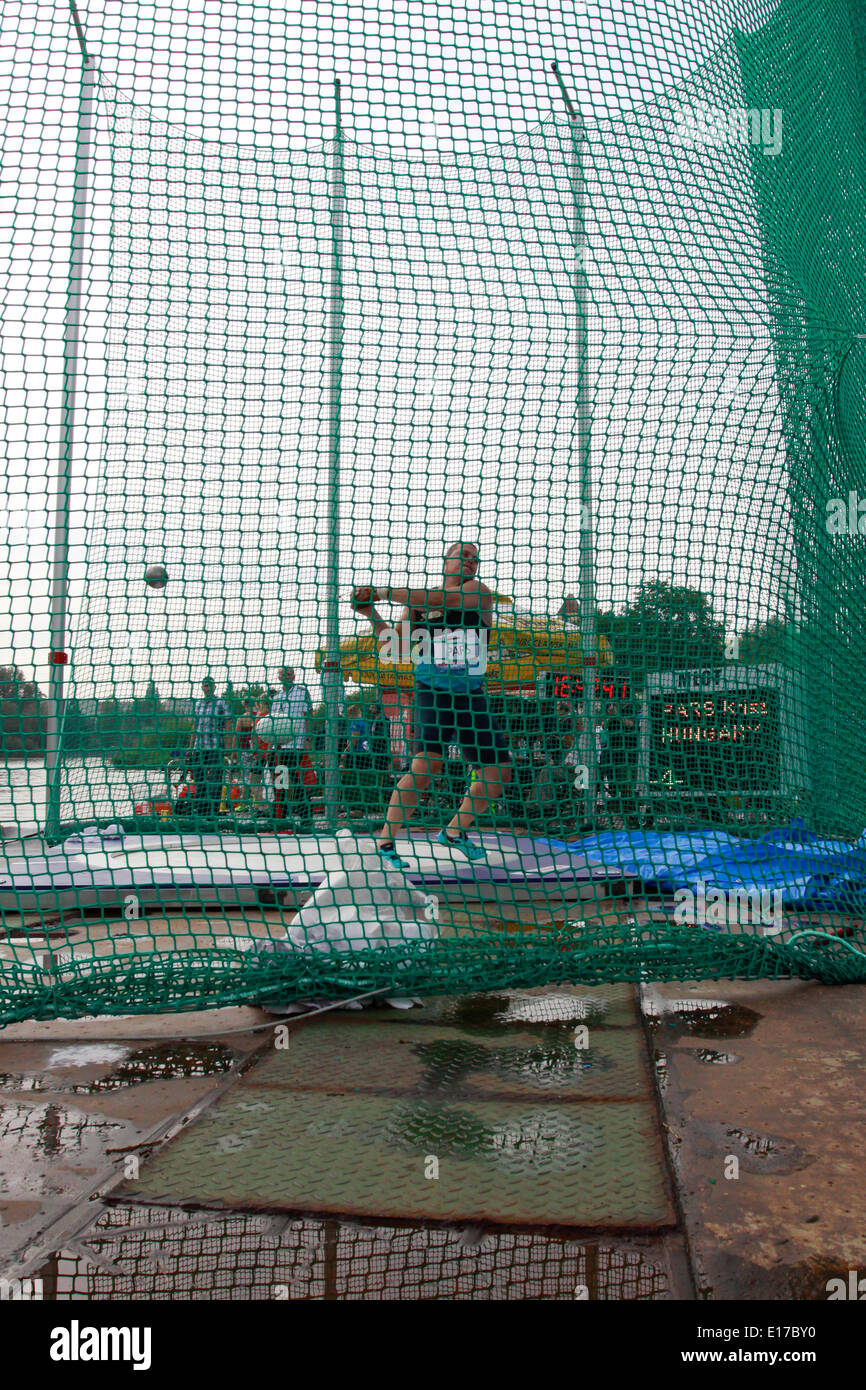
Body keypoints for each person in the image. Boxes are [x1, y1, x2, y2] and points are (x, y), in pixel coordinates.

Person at [350, 541, 513, 870]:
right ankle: (385, 841)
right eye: (463, 556)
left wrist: (381, 592)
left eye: (474, 558)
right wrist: (371, 613)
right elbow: (393, 645)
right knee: (426, 768)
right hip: (431, 691)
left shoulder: (476, 592)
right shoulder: (417, 607)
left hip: (471, 694)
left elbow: (439, 599)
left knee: (498, 774)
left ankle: (453, 832)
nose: (471, 561)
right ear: (446, 560)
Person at [267, 665, 314, 830]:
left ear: (293, 676)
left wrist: (308, 739)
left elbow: (308, 715)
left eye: (289, 673)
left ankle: (306, 818)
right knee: (280, 781)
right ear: (279, 677)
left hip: (297, 744)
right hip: (280, 746)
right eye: (282, 674)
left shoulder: (302, 692)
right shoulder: (277, 697)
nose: (286, 676)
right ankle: (281, 815)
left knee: (297, 780)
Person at [187, 676, 232, 817]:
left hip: (214, 747)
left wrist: (229, 744)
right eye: (204, 685)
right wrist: (190, 746)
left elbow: (229, 721)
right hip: (199, 747)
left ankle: (213, 813)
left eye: (209, 686)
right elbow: (195, 725)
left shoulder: (220, 703)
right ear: (202, 687)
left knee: (214, 781)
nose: (206, 688)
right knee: (199, 781)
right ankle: (201, 811)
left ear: (214, 687)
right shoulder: (198, 704)